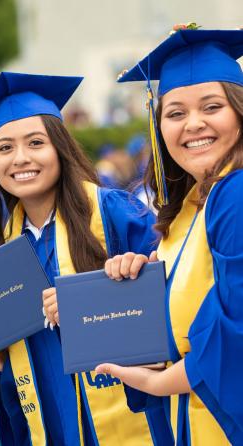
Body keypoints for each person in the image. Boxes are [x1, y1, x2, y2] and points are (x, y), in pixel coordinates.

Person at [0, 72, 173, 445]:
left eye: (35, 142)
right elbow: (20, 379)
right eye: (4, 148)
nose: (20, 158)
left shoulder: (113, 214)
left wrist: (95, 303)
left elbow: (173, 306)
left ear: (60, 148)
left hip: (132, 423)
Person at [96, 26, 243, 445]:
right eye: (175, 113)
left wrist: (157, 383)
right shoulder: (189, 206)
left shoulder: (234, 192)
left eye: (211, 106)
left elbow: (236, 335)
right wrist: (146, 280)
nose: (193, 124)